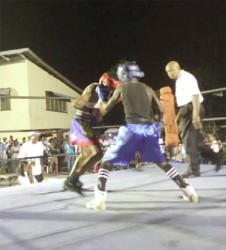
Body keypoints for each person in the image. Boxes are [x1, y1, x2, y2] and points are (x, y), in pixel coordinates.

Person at [86, 61, 199, 210]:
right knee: (162, 162)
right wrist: (155, 124)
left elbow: (105, 110)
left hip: (131, 129)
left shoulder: (121, 87)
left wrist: (101, 99)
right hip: (149, 129)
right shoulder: (148, 89)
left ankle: (99, 199)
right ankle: (189, 192)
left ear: (123, 74)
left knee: (106, 162)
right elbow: (160, 110)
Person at [165, 61, 223, 176]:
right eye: (167, 71)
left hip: (193, 108)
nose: (169, 73)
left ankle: (194, 169)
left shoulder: (186, 77)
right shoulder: (179, 79)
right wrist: (178, 116)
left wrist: (195, 114)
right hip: (187, 110)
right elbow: (183, 101)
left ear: (178, 68)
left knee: (188, 141)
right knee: (196, 142)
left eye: (171, 70)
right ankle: (216, 157)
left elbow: (195, 95)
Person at [63, 79, 118, 193]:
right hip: (80, 123)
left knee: (95, 155)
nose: (111, 90)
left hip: (88, 124)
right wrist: (92, 110)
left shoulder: (106, 94)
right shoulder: (93, 89)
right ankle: (71, 180)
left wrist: (99, 112)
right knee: (95, 152)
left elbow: (99, 115)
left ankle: (71, 180)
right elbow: (76, 104)